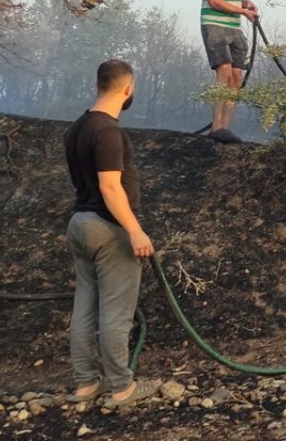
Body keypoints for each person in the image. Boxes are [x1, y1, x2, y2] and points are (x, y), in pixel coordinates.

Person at [62, 60, 162, 408]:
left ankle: (86, 384)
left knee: (85, 308)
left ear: (98, 84)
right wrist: (135, 231)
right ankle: (121, 388)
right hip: (109, 228)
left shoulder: (77, 128)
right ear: (127, 88)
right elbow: (110, 186)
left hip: (80, 224)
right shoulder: (107, 131)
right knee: (116, 313)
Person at [200, 0, 259, 144]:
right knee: (223, 71)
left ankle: (225, 127)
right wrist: (244, 12)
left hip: (235, 27)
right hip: (214, 24)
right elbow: (215, 0)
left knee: (236, 77)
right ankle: (215, 126)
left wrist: (246, 3)